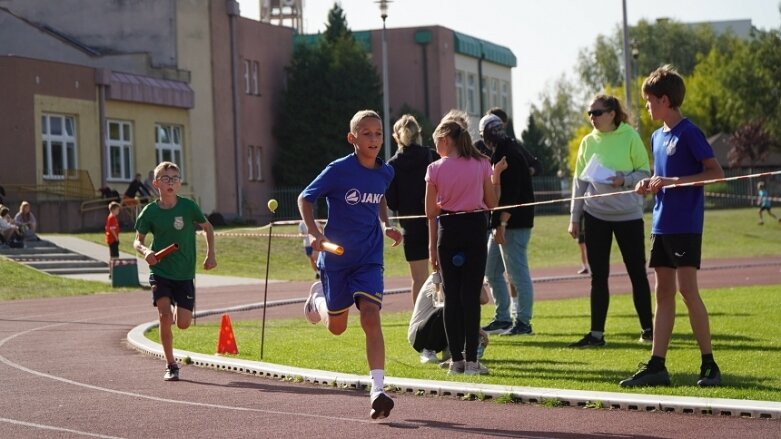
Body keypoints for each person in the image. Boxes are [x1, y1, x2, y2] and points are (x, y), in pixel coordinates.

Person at [621, 65, 724, 387]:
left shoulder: (689, 132)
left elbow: (716, 173)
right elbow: (661, 178)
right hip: (661, 224)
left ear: (665, 100)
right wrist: (648, 185)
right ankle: (657, 366)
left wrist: (673, 181)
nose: (647, 107)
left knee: (687, 291)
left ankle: (709, 365)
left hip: (685, 225)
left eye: (650, 101)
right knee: (662, 292)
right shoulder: (656, 136)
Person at [299, 110, 403, 420]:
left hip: (369, 258)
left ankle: (378, 389)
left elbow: (380, 198)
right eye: (367, 133)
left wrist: (386, 226)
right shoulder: (338, 171)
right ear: (352, 138)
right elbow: (306, 198)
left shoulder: (385, 172)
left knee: (370, 316)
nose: (374, 139)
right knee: (337, 327)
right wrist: (315, 235)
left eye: (379, 133)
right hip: (337, 260)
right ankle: (317, 297)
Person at [568, 94, 654, 348]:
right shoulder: (587, 142)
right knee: (598, 276)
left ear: (612, 113)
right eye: (589, 113)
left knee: (637, 273)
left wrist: (623, 179)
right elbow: (580, 183)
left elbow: (644, 173)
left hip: (628, 216)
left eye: (597, 113)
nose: (592, 118)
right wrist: (575, 218)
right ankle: (596, 335)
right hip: (596, 216)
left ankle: (648, 330)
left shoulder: (630, 136)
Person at [425, 110, 504, 376]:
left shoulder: (434, 169)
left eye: (436, 141)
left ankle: (456, 360)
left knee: (452, 299)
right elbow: (493, 204)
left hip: (448, 230)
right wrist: (495, 178)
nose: (435, 148)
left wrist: (431, 249)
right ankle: (472, 361)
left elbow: (431, 212)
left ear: (446, 139)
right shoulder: (482, 162)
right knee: (470, 296)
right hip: (473, 229)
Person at [133, 161, 217, 382]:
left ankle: (173, 324)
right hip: (160, 270)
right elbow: (137, 241)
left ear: (179, 183)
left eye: (174, 178)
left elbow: (207, 227)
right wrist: (145, 251)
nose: (170, 182)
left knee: (183, 323)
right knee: (164, 316)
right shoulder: (149, 212)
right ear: (155, 183)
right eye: (165, 178)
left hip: (185, 273)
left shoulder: (188, 207)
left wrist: (211, 254)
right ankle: (171, 364)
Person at [477, 113, 539, 337]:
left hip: (513, 223)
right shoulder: (505, 149)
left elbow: (510, 193)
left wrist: (501, 223)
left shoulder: (508, 152)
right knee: (491, 270)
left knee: (517, 272)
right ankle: (502, 318)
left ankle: (523, 322)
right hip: (501, 222)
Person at [386, 114, 438, 305]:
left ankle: (420, 323)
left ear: (396, 137)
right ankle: (447, 321)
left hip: (411, 227)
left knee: (418, 280)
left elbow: (392, 202)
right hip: (436, 224)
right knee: (444, 277)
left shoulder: (392, 165)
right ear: (418, 134)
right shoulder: (431, 156)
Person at [410, 274, 491, 364]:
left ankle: (451, 351)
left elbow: (484, 299)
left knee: (464, 307)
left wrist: (473, 276)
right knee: (448, 308)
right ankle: (428, 350)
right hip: (420, 336)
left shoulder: (462, 276)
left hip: (442, 335)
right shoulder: (438, 278)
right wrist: (477, 329)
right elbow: (445, 305)